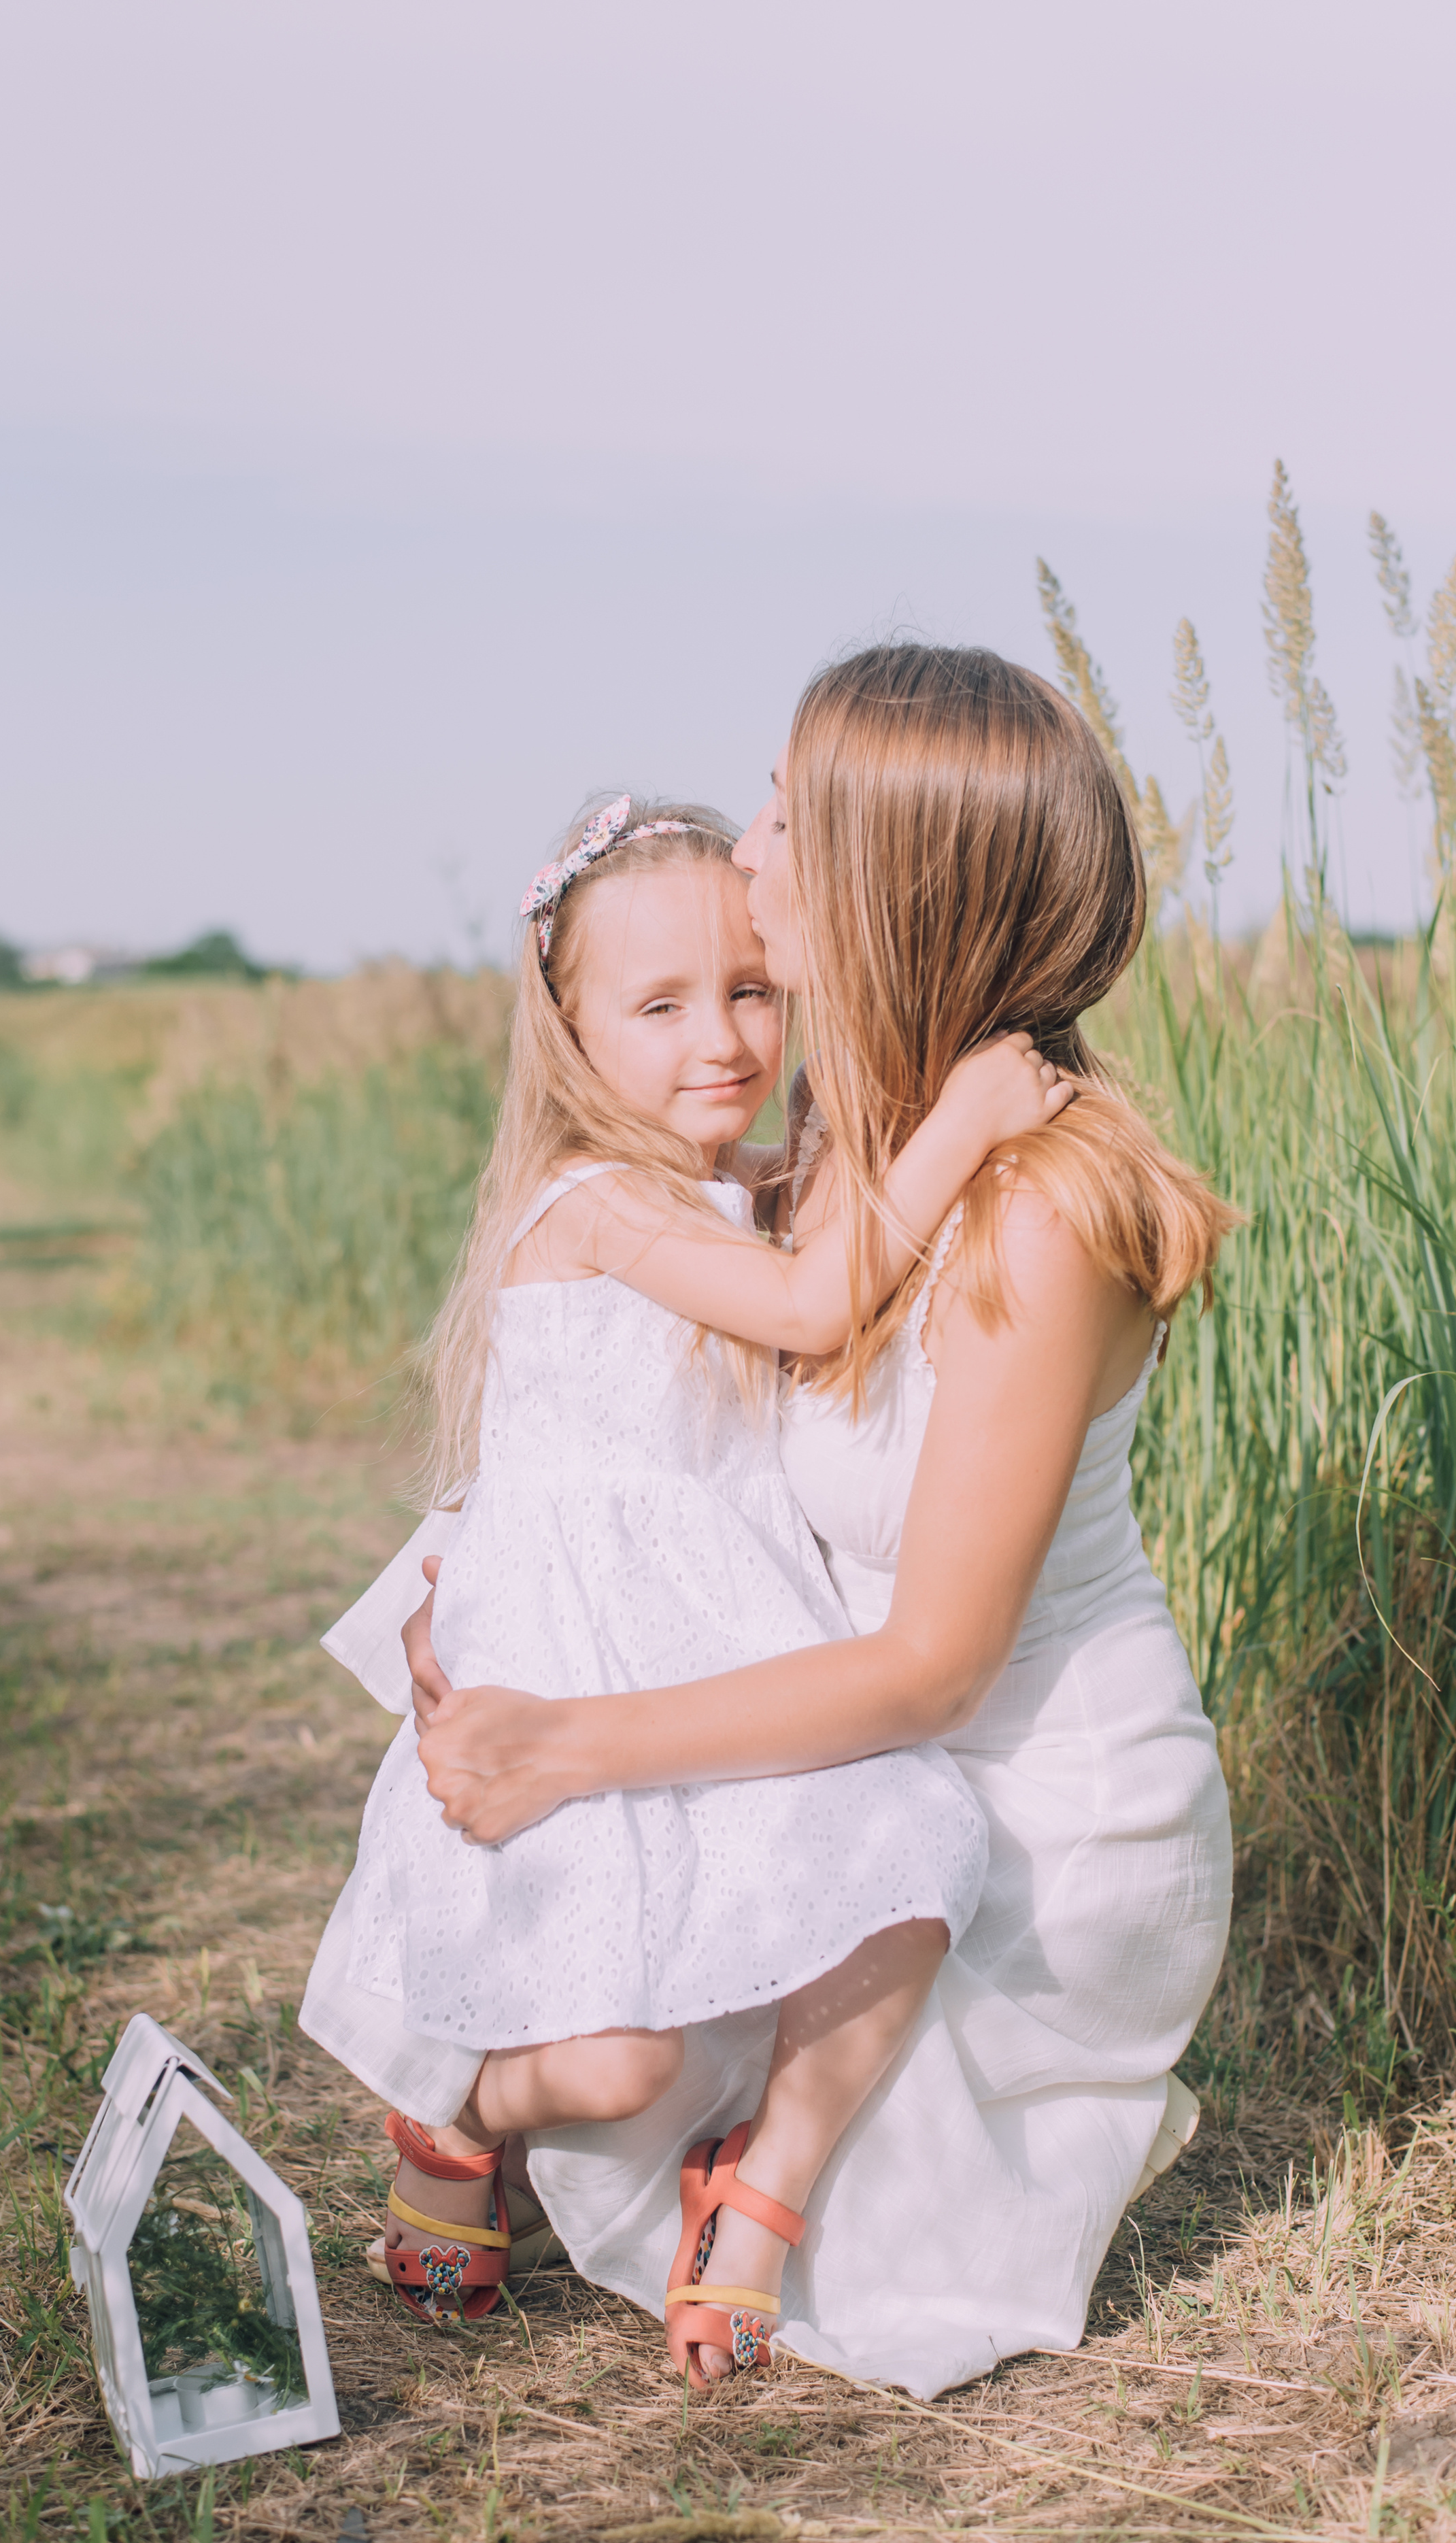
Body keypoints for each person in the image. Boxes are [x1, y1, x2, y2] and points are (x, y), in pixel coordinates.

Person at [405, 649, 1239, 2397]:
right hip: (850, 1760)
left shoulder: (1037, 1209)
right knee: (612, 2031)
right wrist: (477, 1604)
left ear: (881, 873)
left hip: (1013, 1825)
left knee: (780, 2179)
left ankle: (722, 2145)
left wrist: (571, 1743)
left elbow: (934, 1671)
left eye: (786, 812)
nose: (753, 844)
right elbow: (626, 1437)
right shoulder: (835, 1150)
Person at [301, 791, 1072, 2363]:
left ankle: (764, 2184)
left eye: (747, 987)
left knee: (911, 1856)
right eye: (655, 1007)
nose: (718, 1037)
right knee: (607, 2066)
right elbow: (805, 1306)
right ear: (570, 1032)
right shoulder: (588, 1204)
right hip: (575, 1671)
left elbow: (816, 1266)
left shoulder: (727, 1188)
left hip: (710, 1639)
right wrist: (968, 1118)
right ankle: (449, 2111)